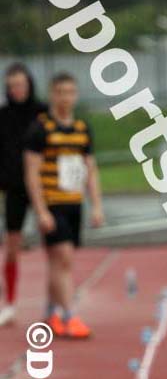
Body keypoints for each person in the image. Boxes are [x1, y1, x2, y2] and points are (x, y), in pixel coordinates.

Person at [23, 72, 104, 338]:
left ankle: (50, 311)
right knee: (64, 260)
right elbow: (31, 172)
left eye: (70, 92)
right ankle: (69, 315)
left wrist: (96, 205)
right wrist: (41, 210)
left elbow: (90, 169)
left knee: (58, 262)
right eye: (60, 92)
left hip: (73, 203)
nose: (65, 98)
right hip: (52, 204)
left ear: (76, 95)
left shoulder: (82, 128)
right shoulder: (40, 128)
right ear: (52, 94)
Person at [0, 63, 47, 325]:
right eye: (12, 86)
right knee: (11, 247)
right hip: (14, 188)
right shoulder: (3, 115)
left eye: (22, 85)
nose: (18, 90)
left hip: (42, 187)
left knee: (54, 245)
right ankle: (10, 302)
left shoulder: (42, 113)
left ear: (29, 84)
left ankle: (55, 302)